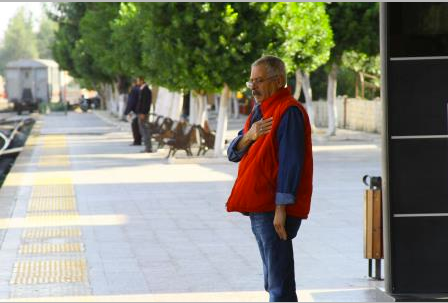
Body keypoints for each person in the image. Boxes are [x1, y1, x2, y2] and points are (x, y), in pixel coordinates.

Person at [226, 55, 313, 302]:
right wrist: (250, 135)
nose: (253, 87)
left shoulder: (289, 112)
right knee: (273, 278)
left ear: (279, 81)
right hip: (259, 205)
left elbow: (291, 163)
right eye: (251, 81)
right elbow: (233, 152)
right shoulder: (259, 111)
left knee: (279, 282)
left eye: (260, 80)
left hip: (274, 208)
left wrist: (281, 208)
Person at [135, 77, 153, 153]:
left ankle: (148, 148)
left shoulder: (146, 90)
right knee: (142, 130)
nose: (137, 82)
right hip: (141, 113)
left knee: (145, 130)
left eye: (138, 80)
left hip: (143, 113)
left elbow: (146, 103)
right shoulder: (142, 89)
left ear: (142, 80)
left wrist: (143, 113)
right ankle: (147, 147)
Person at [124, 80, 142, 146]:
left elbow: (131, 102)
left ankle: (137, 141)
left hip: (135, 112)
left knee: (135, 127)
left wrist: (127, 111)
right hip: (141, 111)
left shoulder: (134, 90)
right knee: (139, 126)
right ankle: (139, 140)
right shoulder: (141, 89)